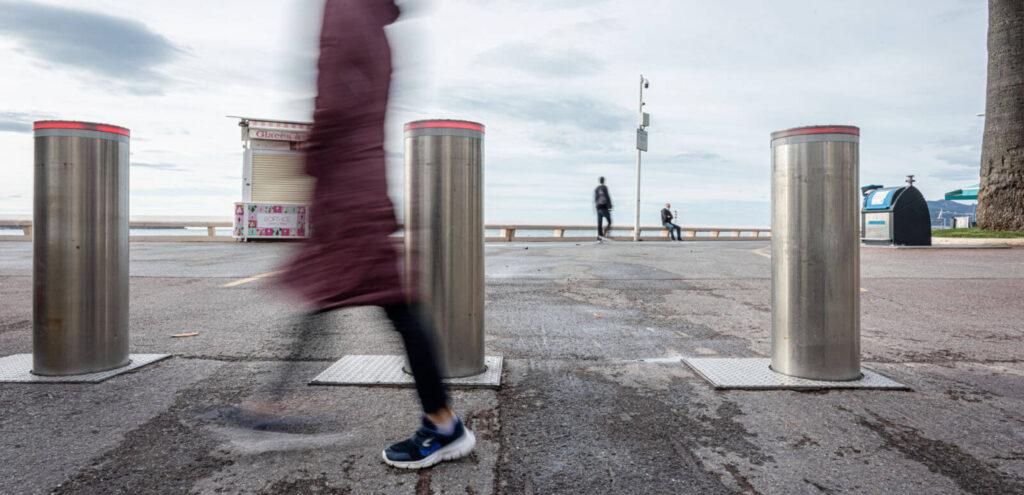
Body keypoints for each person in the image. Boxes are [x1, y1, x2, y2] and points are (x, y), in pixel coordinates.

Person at [280, 0, 474, 470]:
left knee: (392, 306)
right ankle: (267, 408)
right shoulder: (370, 18)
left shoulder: (346, 9)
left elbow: (336, 100)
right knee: (347, 296)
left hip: (348, 186)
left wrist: (309, 160)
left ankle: (445, 426)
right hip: (360, 179)